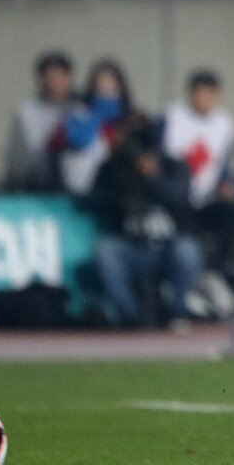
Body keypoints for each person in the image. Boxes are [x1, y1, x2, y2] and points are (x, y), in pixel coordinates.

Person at [89, 126, 202, 329]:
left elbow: (180, 199)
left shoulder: (173, 167)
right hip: (132, 248)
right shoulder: (117, 169)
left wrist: (153, 178)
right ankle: (129, 315)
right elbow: (96, 198)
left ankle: (177, 312)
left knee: (188, 249)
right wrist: (124, 179)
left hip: (167, 249)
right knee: (106, 250)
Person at [160, 69, 234, 264]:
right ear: (191, 93)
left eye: (209, 93)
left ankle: (220, 268)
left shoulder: (225, 124)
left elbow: (223, 163)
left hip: (208, 197)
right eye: (200, 92)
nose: (204, 98)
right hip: (176, 197)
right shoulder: (172, 117)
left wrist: (226, 183)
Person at [61, 59, 142, 198]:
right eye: (101, 81)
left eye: (110, 80)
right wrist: (97, 113)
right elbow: (78, 141)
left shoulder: (132, 117)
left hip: (123, 186)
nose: (105, 85)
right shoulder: (80, 112)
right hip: (86, 180)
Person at [5, 50, 74, 191]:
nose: (55, 83)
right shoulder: (26, 112)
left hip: (74, 189)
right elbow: (19, 158)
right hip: (37, 187)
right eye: (51, 78)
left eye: (60, 77)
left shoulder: (79, 110)